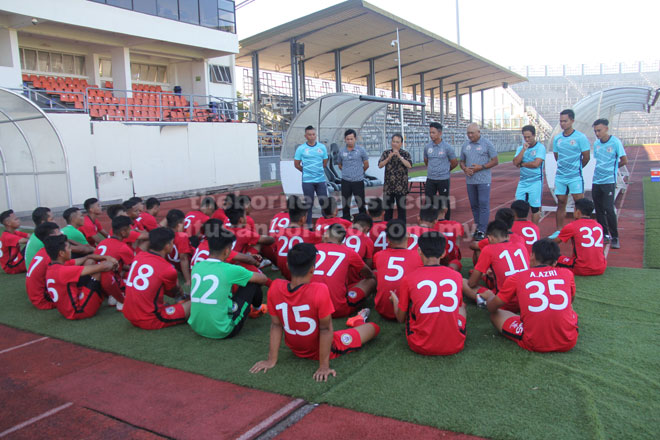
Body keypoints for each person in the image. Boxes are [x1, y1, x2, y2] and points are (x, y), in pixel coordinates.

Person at [249, 243, 379, 382]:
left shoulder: (275, 286)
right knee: (374, 328)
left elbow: (276, 325)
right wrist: (324, 366)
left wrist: (271, 360)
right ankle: (359, 319)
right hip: (321, 349)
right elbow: (326, 329)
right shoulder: (319, 290)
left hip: (296, 348)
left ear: (287, 265)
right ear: (312, 269)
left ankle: (358, 319)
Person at [481, 239, 579, 352]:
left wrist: (489, 296)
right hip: (569, 340)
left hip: (534, 341)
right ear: (555, 262)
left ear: (532, 256)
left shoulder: (517, 277)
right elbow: (570, 300)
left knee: (496, 315)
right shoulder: (567, 274)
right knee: (569, 309)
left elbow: (492, 307)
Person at [390, 232, 467, 356]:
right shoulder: (457, 276)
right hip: (455, 344)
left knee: (410, 309)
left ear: (419, 251)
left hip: (421, 345)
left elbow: (400, 318)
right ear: (443, 253)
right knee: (461, 306)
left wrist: (394, 300)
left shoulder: (409, 278)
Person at [188, 228, 270, 339]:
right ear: (227, 251)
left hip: (196, 327)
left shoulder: (197, 266)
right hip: (223, 330)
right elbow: (263, 279)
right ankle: (257, 309)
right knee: (252, 282)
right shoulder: (230, 269)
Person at [123, 227, 191, 329]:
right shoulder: (167, 268)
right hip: (149, 319)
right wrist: (182, 293)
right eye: (172, 243)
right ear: (167, 246)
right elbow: (174, 293)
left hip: (129, 314)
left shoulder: (139, 256)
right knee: (196, 303)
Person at [43, 234, 117, 320]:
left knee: (89, 262)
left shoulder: (53, 266)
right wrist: (114, 261)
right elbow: (104, 267)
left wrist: (105, 257)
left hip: (68, 308)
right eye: (69, 248)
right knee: (98, 272)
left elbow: (87, 257)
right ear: (61, 253)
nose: (71, 250)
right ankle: (117, 298)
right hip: (79, 311)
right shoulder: (63, 271)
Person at [312, 224, 376, 318]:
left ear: (326, 235)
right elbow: (368, 274)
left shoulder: (312, 249)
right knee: (371, 280)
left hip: (311, 306)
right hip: (337, 308)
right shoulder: (349, 251)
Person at [469, 220, 530, 307]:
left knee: (462, 282)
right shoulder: (521, 246)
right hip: (527, 299)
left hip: (504, 301)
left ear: (490, 238)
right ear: (508, 236)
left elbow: (472, 283)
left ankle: (484, 299)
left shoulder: (489, 249)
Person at [551, 109, 590, 237]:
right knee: (561, 202)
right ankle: (559, 230)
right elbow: (557, 156)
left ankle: (579, 230)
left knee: (579, 203)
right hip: (561, 176)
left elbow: (586, 157)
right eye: (561, 121)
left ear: (572, 121)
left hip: (575, 177)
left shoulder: (580, 137)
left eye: (565, 121)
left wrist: (576, 168)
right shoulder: (557, 138)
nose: (562, 123)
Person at [373, 219, 422, 320]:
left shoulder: (378, 255)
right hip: (407, 311)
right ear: (408, 235)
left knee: (375, 273)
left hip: (383, 310)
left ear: (387, 239)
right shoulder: (418, 256)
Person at [592, 118, 627, 249]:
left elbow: (624, 160)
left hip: (609, 181)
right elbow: (598, 160)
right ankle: (604, 234)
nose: (597, 133)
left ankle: (615, 236)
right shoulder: (596, 144)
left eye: (599, 130)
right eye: (595, 131)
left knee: (608, 208)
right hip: (596, 180)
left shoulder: (615, 142)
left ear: (606, 128)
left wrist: (613, 168)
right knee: (599, 209)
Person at [459, 123, 498, 240]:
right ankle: (478, 227)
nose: (470, 135)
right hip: (470, 180)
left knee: (483, 204)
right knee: (474, 205)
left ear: (478, 132)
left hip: (483, 180)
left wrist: (481, 167)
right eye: (468, 133)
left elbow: (495, 161)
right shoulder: (465, 145)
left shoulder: (487, 144)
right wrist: (465, 168)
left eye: (472, 133)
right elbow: (461, 161)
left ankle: (482, 229)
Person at [554, 198, 606, 276]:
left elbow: (554, 242)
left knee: (552, 257)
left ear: (578, 212)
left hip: (581, 268)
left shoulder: (572, 226)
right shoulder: (599, 226)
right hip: (601, 267)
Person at [274, 196, 322, 280]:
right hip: (300, 273)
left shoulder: (279, 233)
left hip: (284, 271)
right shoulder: (309, 234)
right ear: (303, 219)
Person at [94, 215, 137, 309]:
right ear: (123, 232)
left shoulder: (103, 242)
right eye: (130, 229)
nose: (131, 231)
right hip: (110, 281)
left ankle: (113, 295)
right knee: (136, 284)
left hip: (97, 283)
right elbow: (135, 268)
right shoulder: (123, 247)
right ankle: (121, 299)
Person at [294, 125, 328, 228]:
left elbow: (325, 163)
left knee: (324, 203)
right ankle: (308, 226)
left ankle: (326, 224)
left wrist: (317, 171)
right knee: (308, 204)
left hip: (321, 180)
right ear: (305, 136)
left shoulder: (322, 147)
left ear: (316, 135)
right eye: (309, 135)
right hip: (307, 181)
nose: (312, 136)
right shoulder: (301, 149)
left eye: (313, 134)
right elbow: (297, 164)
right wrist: (306, 172)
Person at [424, 122, 458, 220]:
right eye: (430, 132)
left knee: (444, 202)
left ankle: (446, 221)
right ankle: (429, 221)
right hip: (431, 179)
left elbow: (455, 162)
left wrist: (446, 170)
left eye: (433, 133)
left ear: (440, 133)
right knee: (429, 202)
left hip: (443, 179)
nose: (431, 135)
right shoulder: (427, 147)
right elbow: (426, 160)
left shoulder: (447, 147)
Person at [513, 125, 546, 225]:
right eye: (525, 137)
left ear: (534, 135)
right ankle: (520, 229)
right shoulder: (521, 148)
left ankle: (534, 230)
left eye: (529, 137)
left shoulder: (540, 147)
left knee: (535, 208)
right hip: (523, 181)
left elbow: (536, 164)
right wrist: (523, 150)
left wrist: (522, 164)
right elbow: (515, 162)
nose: (527, 139)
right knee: (517, 206)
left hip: (535, 181)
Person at [25, 222, 60, 310]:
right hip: (44, 301)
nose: (62, 234)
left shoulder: (43, 250)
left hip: (36, 296)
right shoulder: (51, 255)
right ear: (52, 236)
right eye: (59, 232)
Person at [337, 129, 370, 220]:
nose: (349, 141)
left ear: (355, 139)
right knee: (346, 203)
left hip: (358, 181)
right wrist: (346, 171)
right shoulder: (341, 151)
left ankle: (362, 220)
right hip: (346, 181)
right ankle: (346, 220)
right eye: (348, 139)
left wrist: (359, 172)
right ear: (345, 139)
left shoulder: (361, 150)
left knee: (360, 203)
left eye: (351, 139)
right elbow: (339, 164)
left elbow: (366, 164)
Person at [379, 133, 412, 221]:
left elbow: (409, 165)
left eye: (397, 142)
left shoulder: (405, 154)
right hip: (388, 187)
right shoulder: (386, 153)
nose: (395, 144)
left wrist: (399, 156)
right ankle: (387, 229)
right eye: (393, 141)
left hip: (401, 187)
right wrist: (388, 158)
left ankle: (401, 230)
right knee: (388, 211)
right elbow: (380, 165)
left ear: (401, 143)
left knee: (401, 210)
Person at [165, 209, 193, 287]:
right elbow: (183, 258)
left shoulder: (163, 233)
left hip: (175, 265)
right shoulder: (182, 237)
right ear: (179, 224)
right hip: (191, 265)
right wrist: (188, 280)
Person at [0, 210, 29, 274]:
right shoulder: (7, 236)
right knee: (32, 244)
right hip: (12, 267)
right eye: (16, 219)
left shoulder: (14, 232)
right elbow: (27, 241)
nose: (19, 220)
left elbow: (30, 236)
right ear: (8, 223)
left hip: (15, 262)